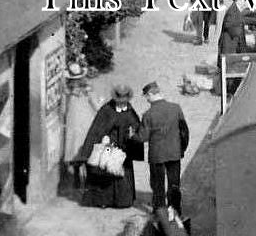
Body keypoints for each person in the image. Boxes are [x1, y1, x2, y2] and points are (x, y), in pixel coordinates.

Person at [78, 85, 143, 208]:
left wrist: (133, 133)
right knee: (104, 172)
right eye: (119, 102)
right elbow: (96, 130)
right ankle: (103, 201)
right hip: (107, 148)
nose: (122, 104)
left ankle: (122, 201)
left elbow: (136, 125)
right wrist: (101, 140)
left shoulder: (130, 110)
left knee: (122, 173)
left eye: (124, 102)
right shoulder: (106, 110)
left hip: (123, 148)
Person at [137, 82, 189, 215]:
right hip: (174, 153)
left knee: (158, 185)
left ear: (150, 94)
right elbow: (184, 131)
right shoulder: (176, 108)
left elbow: (143, 137)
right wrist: (181, 149)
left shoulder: (148, 114)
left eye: (146, 96)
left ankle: (159, 212)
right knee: (174, 184)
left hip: (157, 155)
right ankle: (175, 211)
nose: (146, 99)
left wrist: (133, 134)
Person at [63, 63, 103, 189]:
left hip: (73, 124)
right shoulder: (87, 91)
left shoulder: (66, 91)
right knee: (86, 150)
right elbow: (96, 106)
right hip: (86, 123)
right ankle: (88, 181)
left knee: (74, 149)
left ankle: (76, 180)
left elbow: (63, 109)